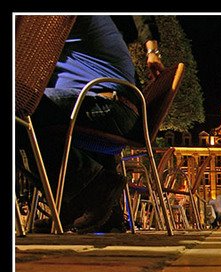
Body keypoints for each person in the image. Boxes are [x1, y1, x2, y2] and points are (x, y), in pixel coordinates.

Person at [30, 16, 163, 233]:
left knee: (21, 108)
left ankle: (94, 188)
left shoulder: (64, 19)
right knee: (29, 115)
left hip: (106, 106)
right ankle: (86, 208)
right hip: (107, 107)